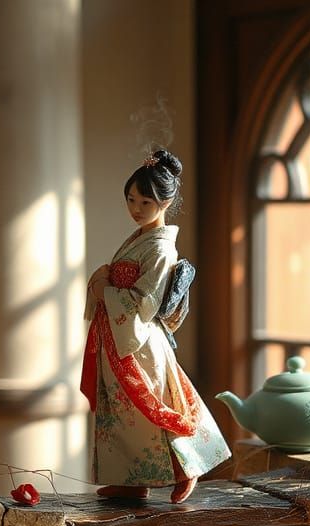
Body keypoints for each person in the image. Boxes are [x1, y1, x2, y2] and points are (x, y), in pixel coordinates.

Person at [81, 148, 230, 503]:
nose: (135, 209)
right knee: (120, 410)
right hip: (117, 334)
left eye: (145, 202)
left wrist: (106, 290)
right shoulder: (141, 238)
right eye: (131, 199)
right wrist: (104, 280)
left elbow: (144, 302)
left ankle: (185, 468)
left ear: (165, 202)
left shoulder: (161, 248)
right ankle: (131, 479)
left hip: (139, 339)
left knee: (150, 407)